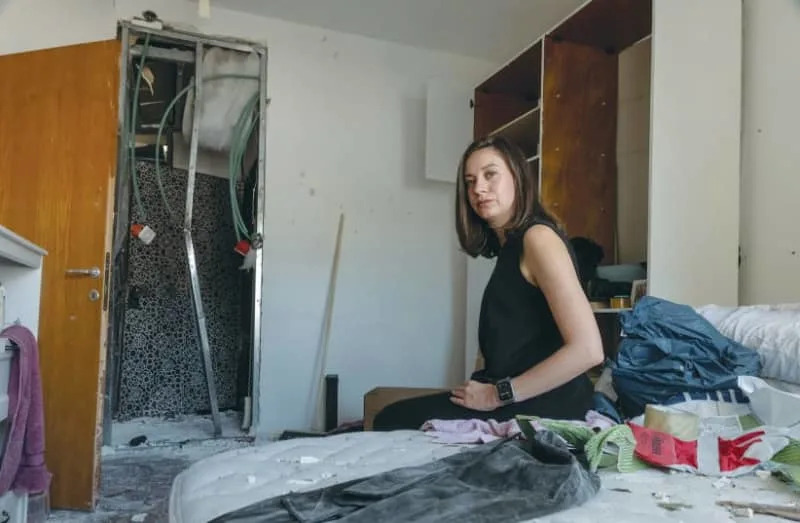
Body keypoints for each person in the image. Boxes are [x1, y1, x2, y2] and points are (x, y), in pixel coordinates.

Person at [372, 136, 604, 431]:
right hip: (517, 396)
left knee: (391, 419)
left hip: (549, 402)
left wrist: (496, 394)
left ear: (517, 176)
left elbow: (588, 350)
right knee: (394, 415)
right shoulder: (511, 247)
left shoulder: (538, 238)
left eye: (490, 174)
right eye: (470, 181)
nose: (478, 189)